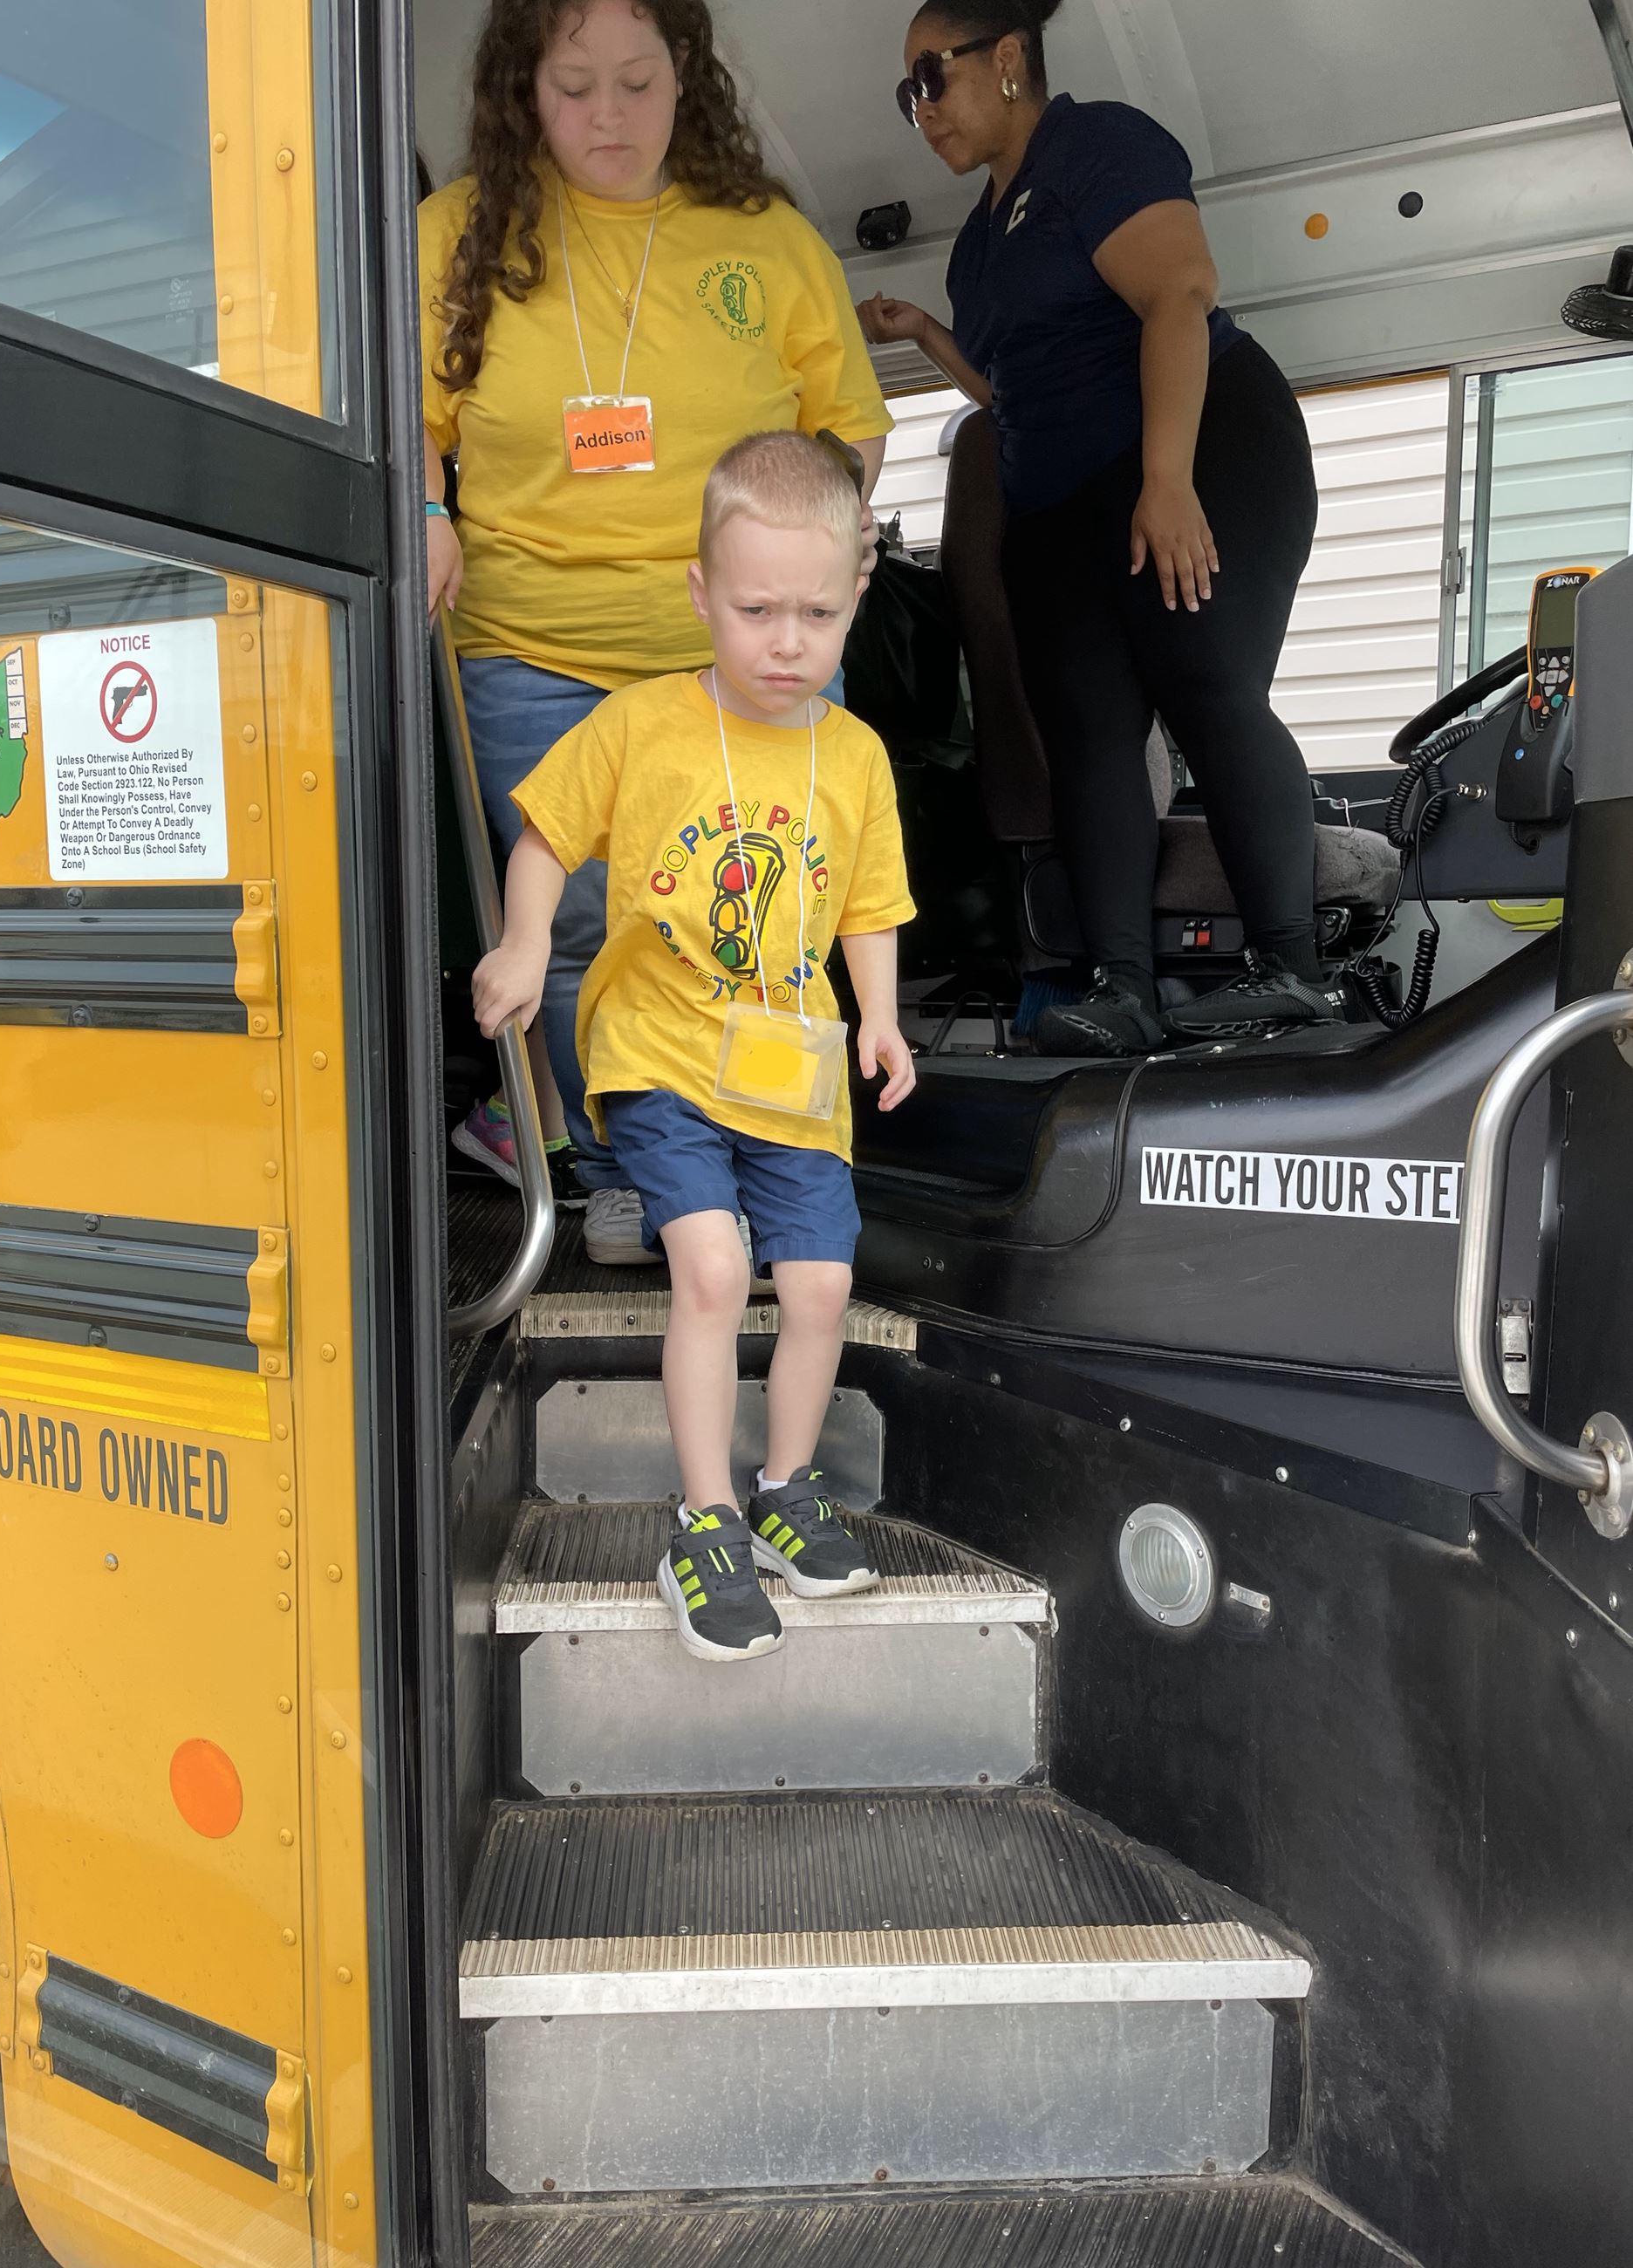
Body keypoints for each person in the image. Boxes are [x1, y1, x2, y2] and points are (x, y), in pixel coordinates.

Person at [420, 0, 892, 1261]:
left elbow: (848, 423)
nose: (608, 116)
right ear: (523, 90)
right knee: (577, 926)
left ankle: (763, 1145)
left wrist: (806, 568)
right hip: (531, 646)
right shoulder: (456, 233)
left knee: (764, 916)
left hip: (738, 650)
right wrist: (425, 504)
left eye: (638, 81)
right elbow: (407, 407)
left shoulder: (767, 240)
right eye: (574, 87)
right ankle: (617, 1167)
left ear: (687, 79)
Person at [471, 433, 917, 1660]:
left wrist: (878, 1017)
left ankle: (782, 1490)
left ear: (854, 598)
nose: (786, 641)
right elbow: (546, 838)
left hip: (793, 1075)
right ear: (700, 596)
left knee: (822, 1284)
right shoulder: (640, 725)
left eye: (816, 613)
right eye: (756, 608)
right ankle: (704, 1519)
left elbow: (871, 905)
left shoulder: (857, 755)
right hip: (659, 1056)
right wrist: (520, 948)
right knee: (714, 1272)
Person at [859, 0, 1345, 1055]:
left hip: (1204, 438)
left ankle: (1292, 969)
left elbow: (1178, 295)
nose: (920, 108)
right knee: (1085, 734)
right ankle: (1122, 983)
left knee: (1203, 677)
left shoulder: (1097, 145)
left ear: (1008, 58)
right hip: (1062, 497)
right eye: (907, 95)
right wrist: (928, 333)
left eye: (930, 77)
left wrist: (1167, 481)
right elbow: (1017, 392)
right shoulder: (980, 245)